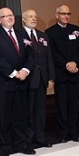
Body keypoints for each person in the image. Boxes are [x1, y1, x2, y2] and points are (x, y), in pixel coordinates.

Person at [0, 7, 36, 156]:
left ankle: (21, 143)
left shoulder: (22, 33)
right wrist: (14, 73)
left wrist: (26, 70)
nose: (9, 18)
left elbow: (31, 54)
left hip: (21, 82)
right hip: (3, 83)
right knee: (3, 117)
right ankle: (4, 146)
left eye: (11, 15)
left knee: (20, 116)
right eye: (5, 16)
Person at [45, 4, 79, 143]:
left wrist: (74, 63)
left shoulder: (76, 30)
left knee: (74, 105)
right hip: (61, 74)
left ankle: (73, 132)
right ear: (57, 15)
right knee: (62, 105)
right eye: (63, 14)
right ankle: (63, 133)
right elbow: (52, 53)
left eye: (68, 13)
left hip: (75, 73)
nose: (66, 16)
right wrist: (66, 64)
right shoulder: (50, 32)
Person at [20, 9, 55, 148]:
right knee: (27, 111)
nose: (34, 19)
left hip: (42, 79)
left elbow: (49, 58)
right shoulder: (19, 35)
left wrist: (51, 78)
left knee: (40, 111)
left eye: (35, 16)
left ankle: (40, 137)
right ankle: (28, 140)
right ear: (23, 20)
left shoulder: (43, 36)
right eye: (30, 16)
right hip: (27, 80)